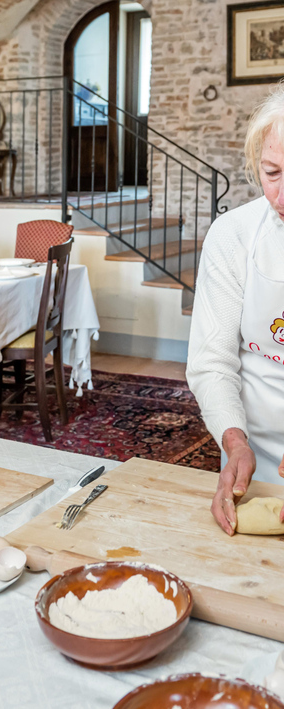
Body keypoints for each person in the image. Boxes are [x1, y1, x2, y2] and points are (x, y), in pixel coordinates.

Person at [187, 82, 284, 536]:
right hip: (254, 455)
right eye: (272, 173)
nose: (281, 197)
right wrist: (233, 440)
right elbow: (212, 360)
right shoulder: (233, 236)